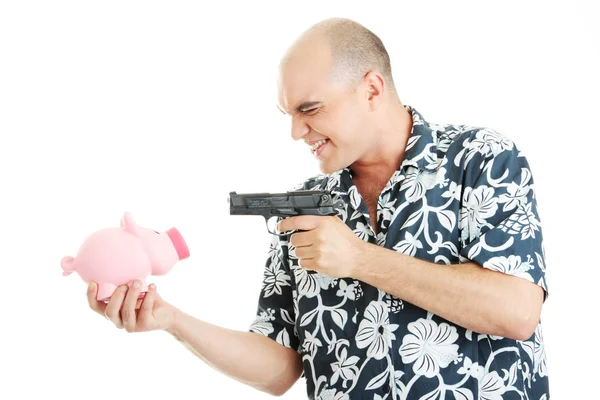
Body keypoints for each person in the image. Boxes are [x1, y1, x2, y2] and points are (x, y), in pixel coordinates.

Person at [87, 17, 550, 399]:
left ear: (372, 89)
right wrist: (171, 320)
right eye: (288, 113)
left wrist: (361, 260)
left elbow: (516, 310)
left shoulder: (481, 158)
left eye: (310, 109)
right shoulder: (307, 202)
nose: (295, 132)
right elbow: (279, 369)